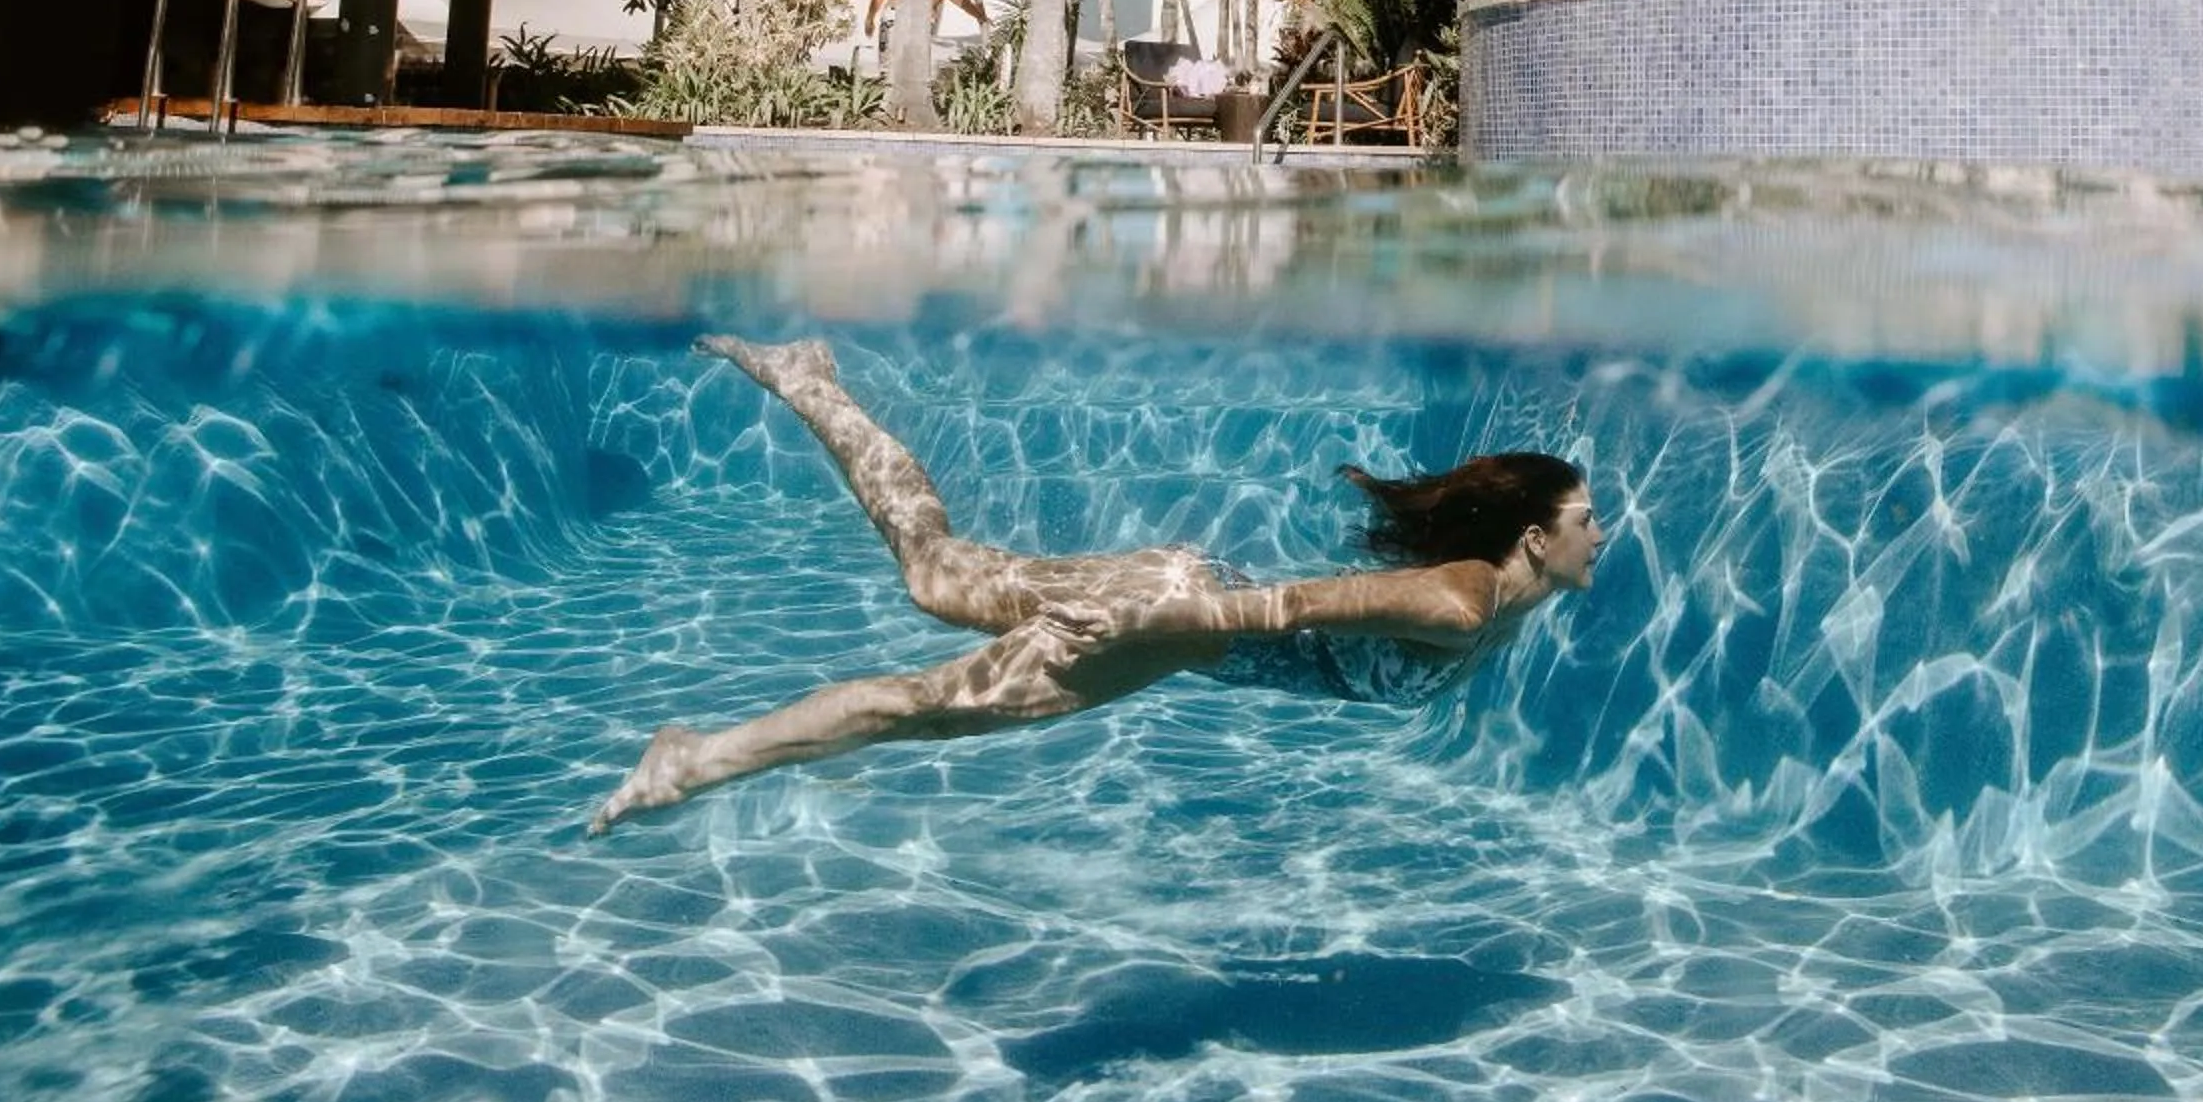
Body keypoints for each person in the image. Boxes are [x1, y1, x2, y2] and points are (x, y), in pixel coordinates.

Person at [589, 338, 1606, 831]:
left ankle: (810, 380)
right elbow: (1288, 604)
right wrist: (1137, 614)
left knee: (935, 572)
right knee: (923, 705)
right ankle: (693, 759)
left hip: (1178, 613)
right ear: (1533, 538)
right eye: (1586, 522)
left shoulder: (1509, 603)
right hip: (1173, 617)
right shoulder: (1463, 599)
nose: (1600, 536)